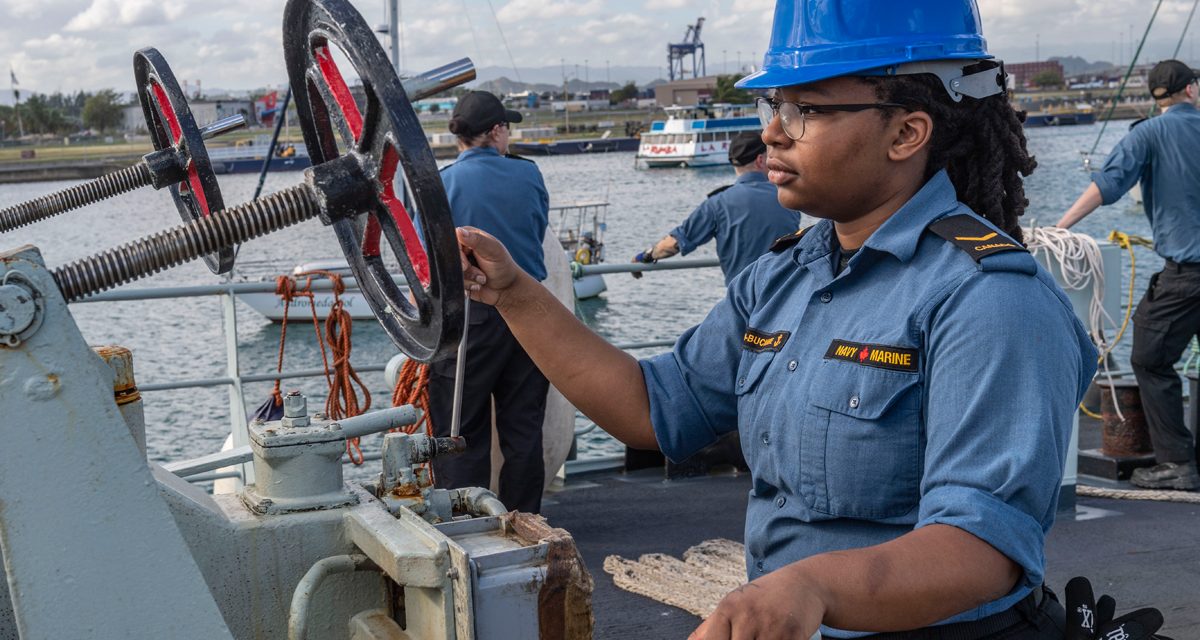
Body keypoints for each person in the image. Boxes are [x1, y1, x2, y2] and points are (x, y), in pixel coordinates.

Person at [455, 1, 1098, 637]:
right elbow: (653, 407)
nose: (772, 132)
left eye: (806, 110)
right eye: (775, 107)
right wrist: (511, 291)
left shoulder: (989, 298)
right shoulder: (785, 275)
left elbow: (982, 549)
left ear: (907, 133)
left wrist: (812, 586)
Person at [1056, 59, 1200, 492]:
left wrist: (1059, 229)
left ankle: (1177, 463)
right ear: (1191, 90)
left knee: (1150, 359)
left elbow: (1109, 184)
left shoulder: (1148, 133)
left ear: (1154, 95)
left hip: (1187, 275)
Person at [428, 90, 550, 513]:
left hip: (469, 316)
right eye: (507, 128)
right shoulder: (529, 174)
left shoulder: (441, 183)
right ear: (496, 131)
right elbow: (536, 231)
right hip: (530, 315)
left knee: (459, 427)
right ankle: (524, 521)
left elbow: (424, 252)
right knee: (524, 429)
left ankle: (465, 520)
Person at [632, 130, 805, 284]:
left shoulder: (717, 203)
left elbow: (673, 244)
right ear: (761, 160)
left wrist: (644, 256)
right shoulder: (788, 195)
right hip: (787, 297)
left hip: (744, 302)